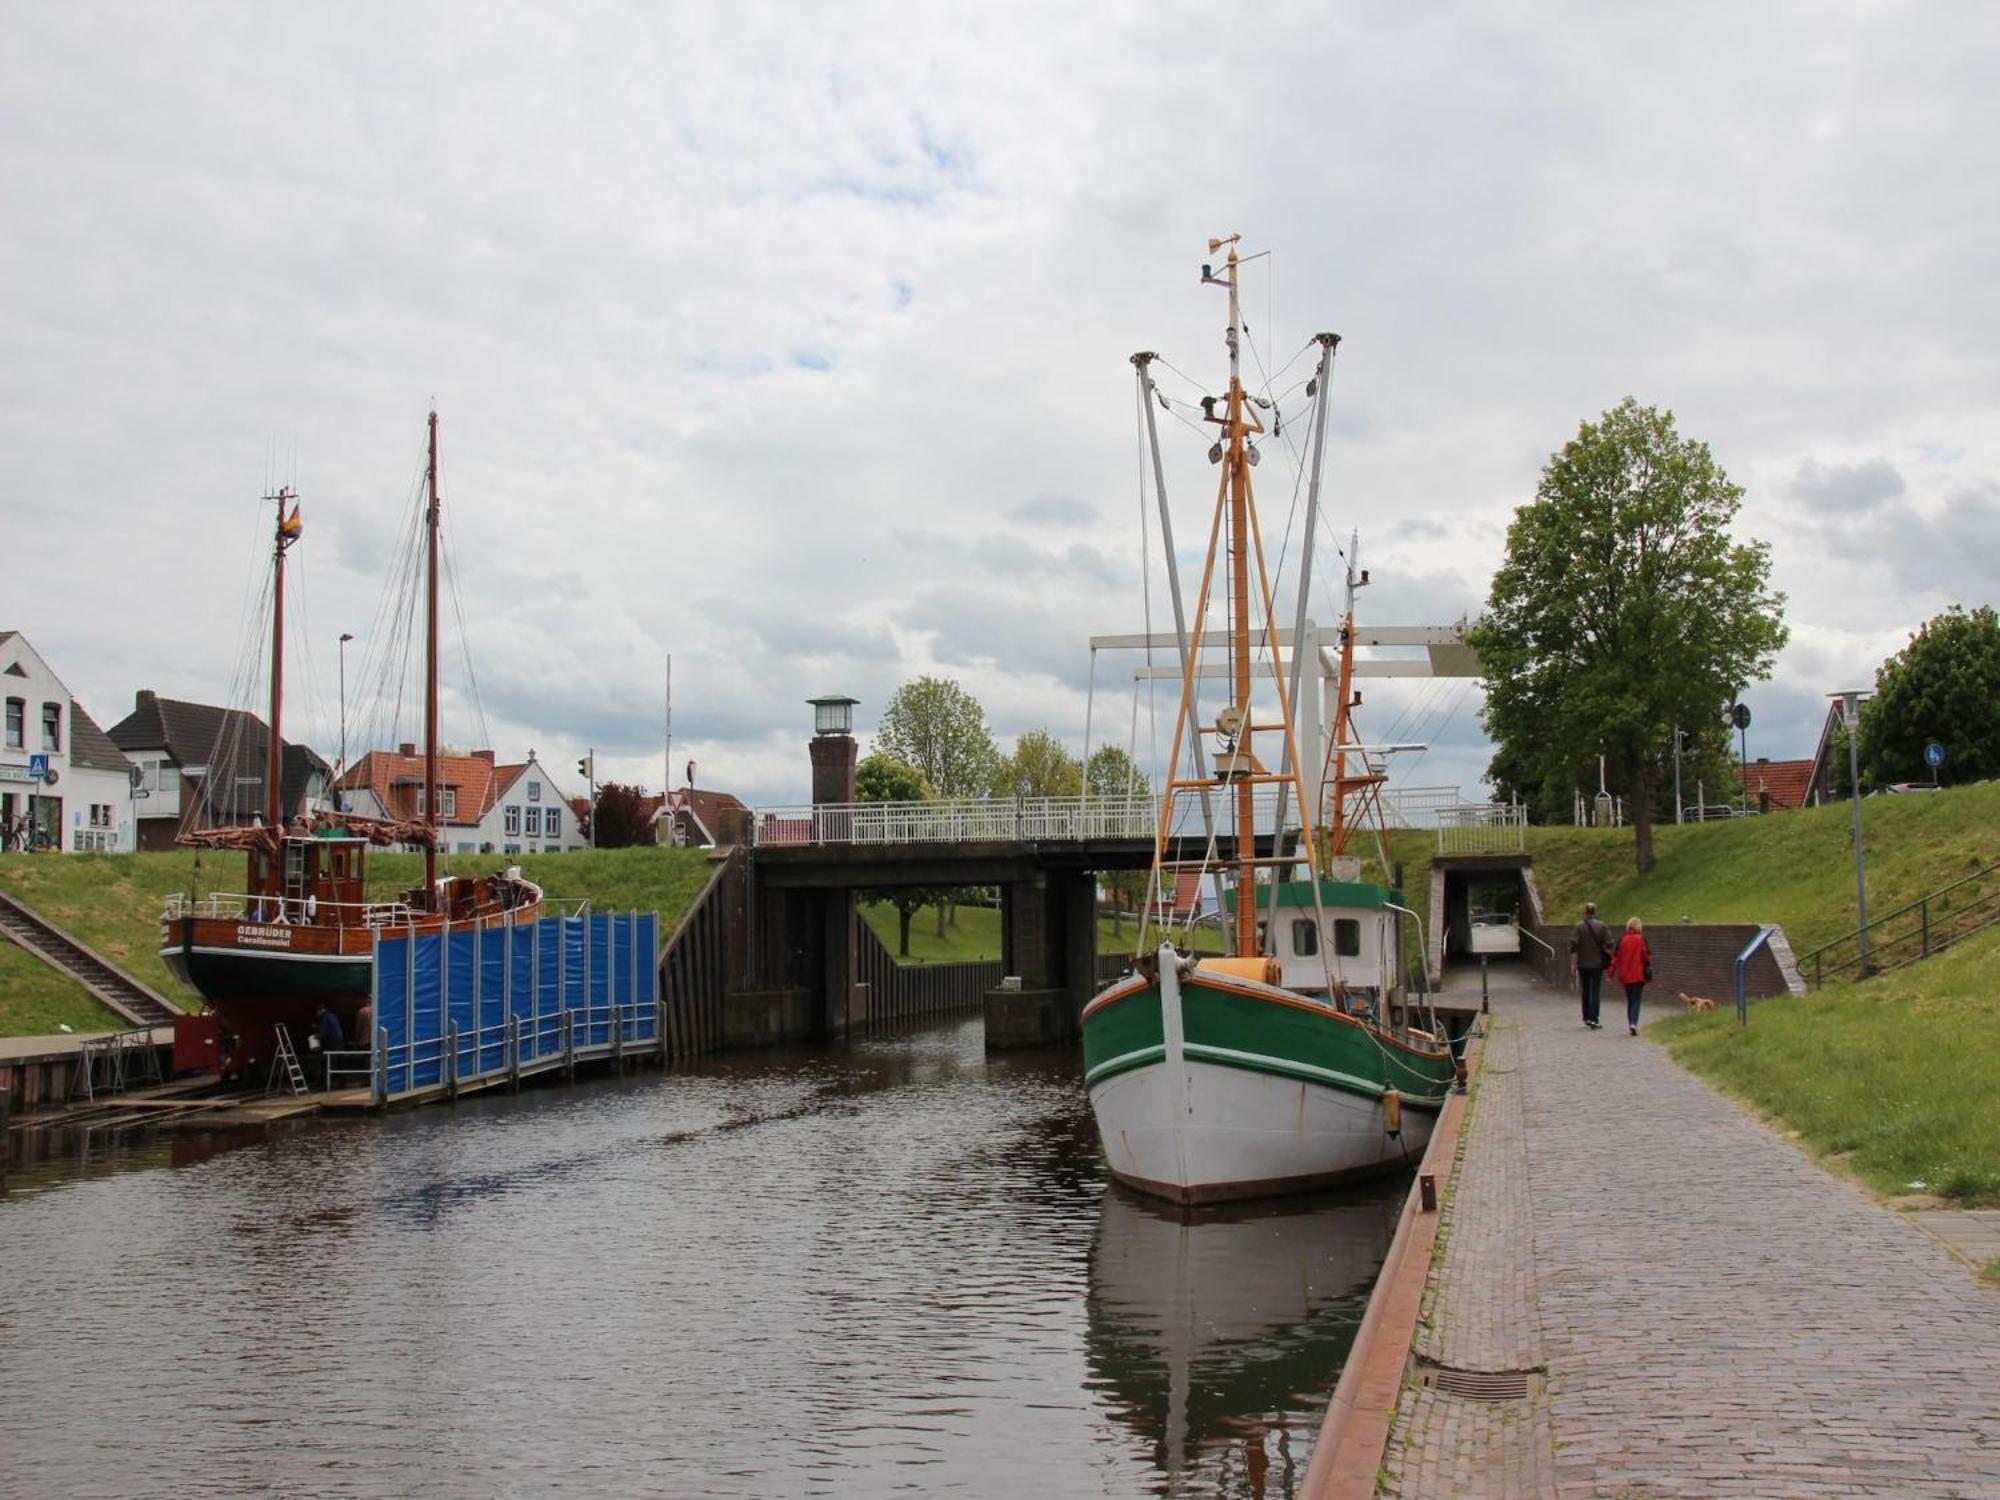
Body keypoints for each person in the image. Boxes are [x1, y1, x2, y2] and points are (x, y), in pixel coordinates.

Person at [1569, 900, 1614, 1030]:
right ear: (1594, 912)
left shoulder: (1578, 927)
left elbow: (1573, 947)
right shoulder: (1602, 926)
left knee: (1585, 990)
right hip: (1597, 964)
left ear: (1585, 912)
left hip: (1583, 964)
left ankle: (1587, 1016)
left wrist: (1573, 964)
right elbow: (1609, 943)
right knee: (1595, 990)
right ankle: (1595, 1018)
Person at [1608, 917, 1654, 1035]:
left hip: (1625, 976)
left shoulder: (1622, 940)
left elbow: (1615, 959)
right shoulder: (1641, 939)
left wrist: (1610, 974)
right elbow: (1646, 956)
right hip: (1638, 975)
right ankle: (1634, 1023)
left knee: (1630, 1000)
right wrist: (1648, 964)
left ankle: (1631, 1023)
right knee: (1636, 1000)